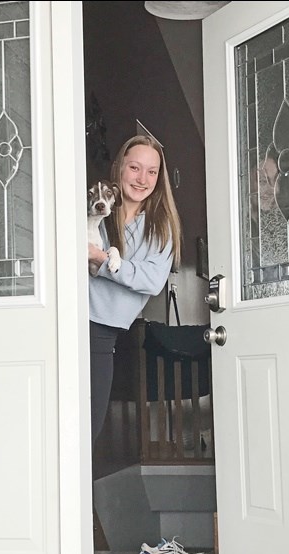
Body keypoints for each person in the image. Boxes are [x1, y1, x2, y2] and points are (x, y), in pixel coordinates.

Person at [88, 134, 182, 445]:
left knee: (90, 427)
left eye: (152, 171)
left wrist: (101, 261)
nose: (142, 179)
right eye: (135, 168)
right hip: (64, 318)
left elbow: (152, 281)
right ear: (119, 169)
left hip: (102, 331)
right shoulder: (96, 207)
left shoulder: (160, 226)